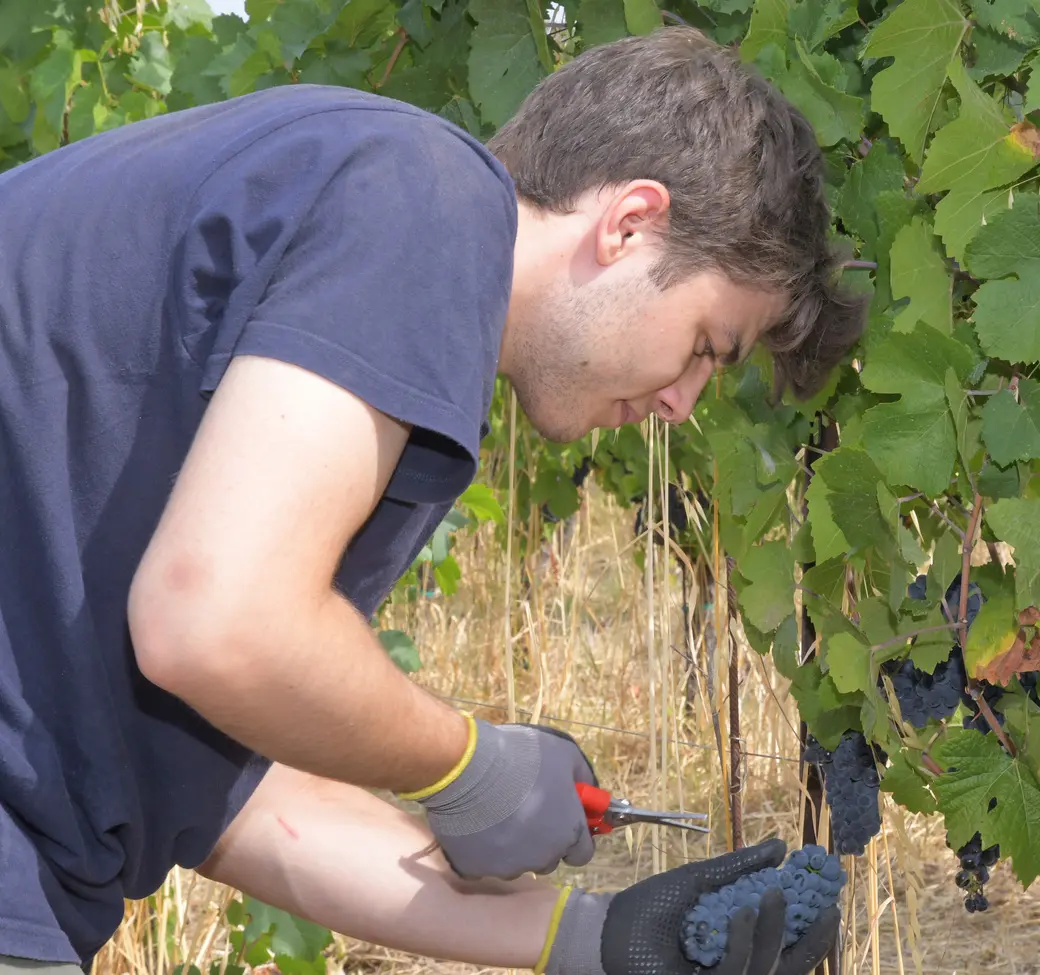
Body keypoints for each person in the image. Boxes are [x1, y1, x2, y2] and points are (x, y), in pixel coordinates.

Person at [0, 21, 866, 975]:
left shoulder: (363, 286)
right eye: (706, 343)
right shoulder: (424, 200)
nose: (681, 403)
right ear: (629, 223)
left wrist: (596, 938)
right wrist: (464, 764)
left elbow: (217, 797)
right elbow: (211, 621)